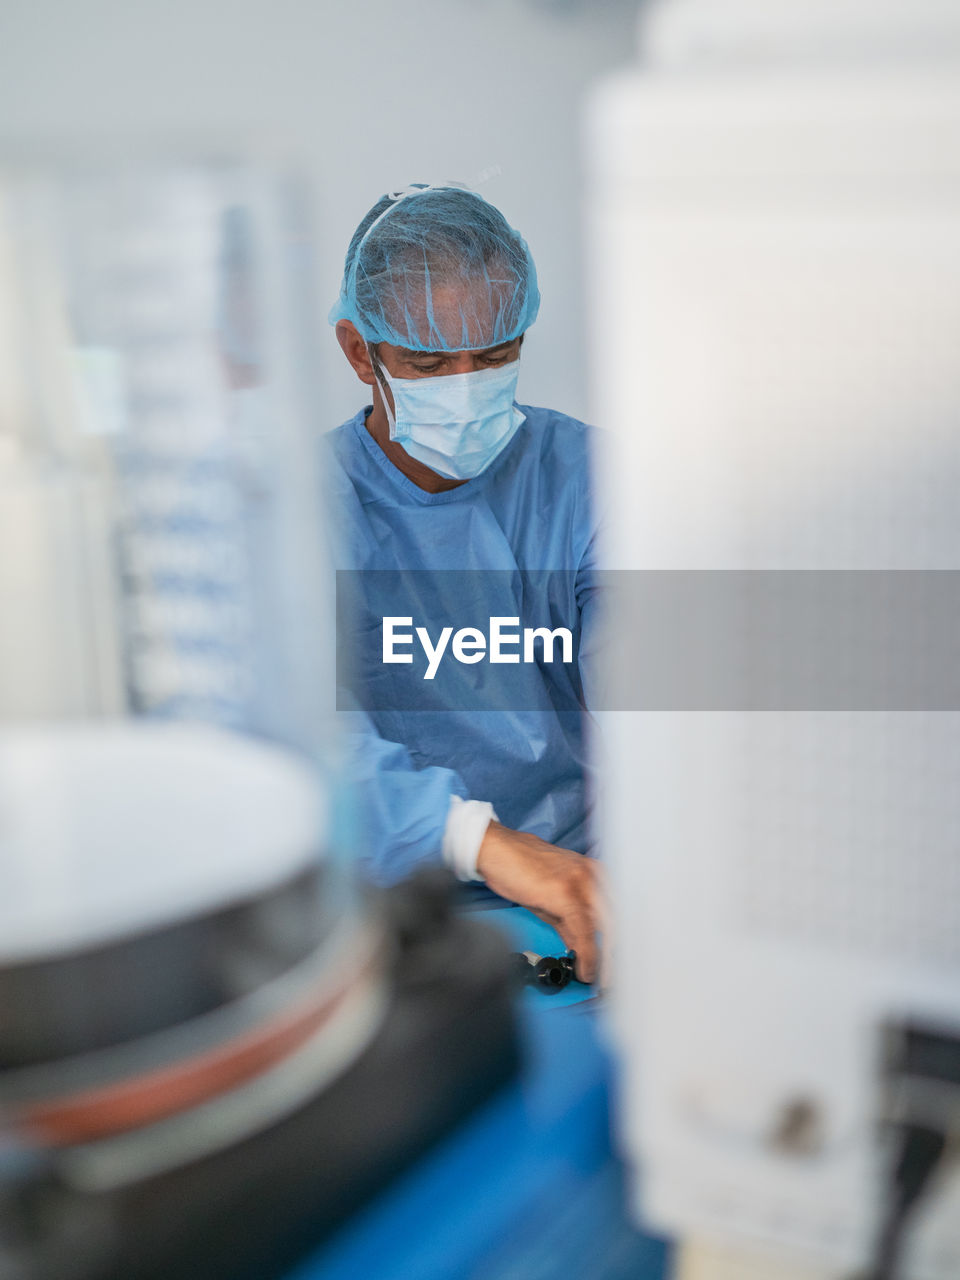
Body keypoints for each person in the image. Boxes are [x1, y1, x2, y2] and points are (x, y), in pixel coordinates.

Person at [327, 184, 603, 981]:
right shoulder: (305, 507)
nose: (465, 386)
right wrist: (474, 840)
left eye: (493, 355)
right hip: (393, 915)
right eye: (426, 362)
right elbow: (293, 742)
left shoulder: (585, 476)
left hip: (591, 881)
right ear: (359, 353)